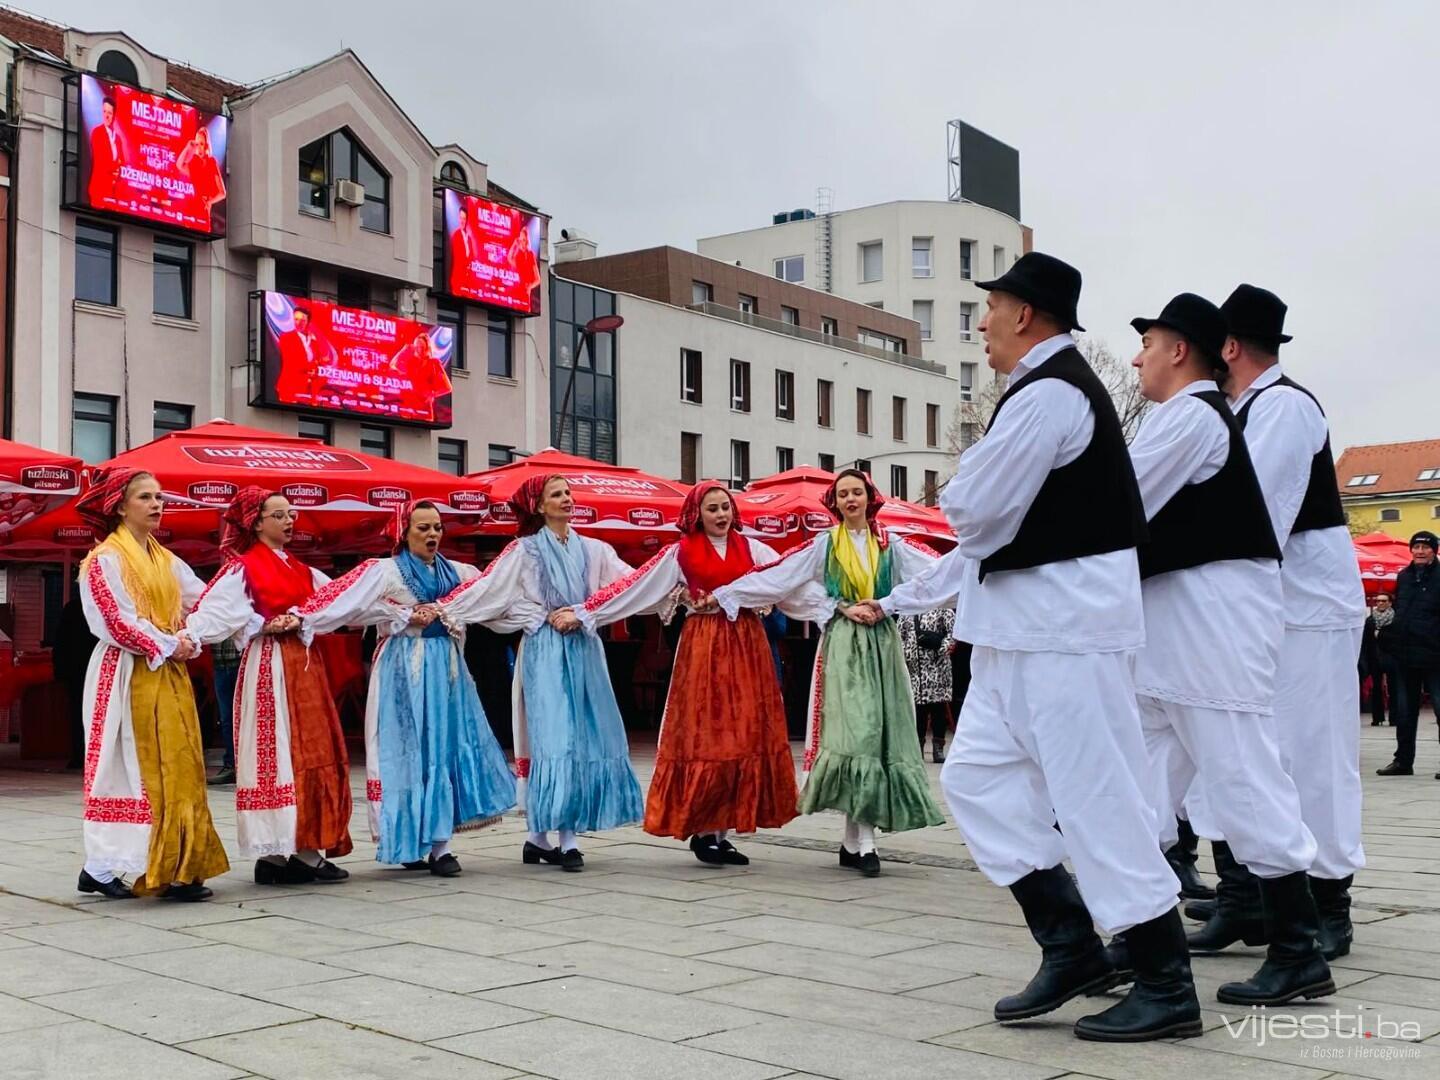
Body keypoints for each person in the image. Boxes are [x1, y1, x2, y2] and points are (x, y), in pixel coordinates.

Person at [874, 253, 1200, 1041]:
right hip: (1022, 631)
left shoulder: (1052, 391)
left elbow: (975, 509)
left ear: (1024, 314)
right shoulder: (1038, 391)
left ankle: (1165, 980)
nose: (981, 323)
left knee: (1096, 796)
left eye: (989, 308)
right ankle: (1072, 944)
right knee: (978, 779)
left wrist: (967, 489)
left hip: (1065, 632)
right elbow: (984, 520)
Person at [1120, 292, 1330, 1007]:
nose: (1137, 358)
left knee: (1242, 775)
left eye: (1148, 343)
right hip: (1174, 629)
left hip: (1211, 628)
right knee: (1145, 781)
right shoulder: (1184, 417)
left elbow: (1118, 503)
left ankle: (1299, 947)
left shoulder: (1195, 417)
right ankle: (1140, 933)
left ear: (1180, 349)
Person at [1215, 284, 1366, 963]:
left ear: (1230, 347)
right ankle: (1250, 897)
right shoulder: (1245, 408)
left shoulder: (1283, 406)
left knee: (1315, 756)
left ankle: (1330, 901)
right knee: (1260, 754)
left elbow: (1257, 514)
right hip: (1276, 606)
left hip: (1310, 608)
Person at [708, 469, 946, 877]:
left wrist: (890, 602)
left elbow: (937, 574)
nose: (850, 499)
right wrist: (728, 594)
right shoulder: (825, 544)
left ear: (870, 498)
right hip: (844, 645)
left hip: (883, 644)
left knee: (879, 736)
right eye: (843, 494)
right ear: (834, 503)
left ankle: (855, 842)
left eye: (857, 492)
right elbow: (783, 577)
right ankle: (863, 843)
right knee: (858, 733)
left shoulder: (890, 543)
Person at [571, 482, 812, 865]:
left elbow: (787, 581)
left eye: (725, 507)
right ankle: (704, 829)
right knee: (707, 734)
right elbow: (638, 586)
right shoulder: (680, 552)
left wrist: (833, 606)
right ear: (697, 515)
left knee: (744, 731)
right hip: (704, 644)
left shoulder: (754, 548)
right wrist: (587, 612)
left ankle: (723, 829)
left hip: (748, 644)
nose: (721, 515)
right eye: (712, 508)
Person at [291, 501, 521, 875]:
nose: (432, 535)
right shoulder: (384, 572)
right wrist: (398, 614)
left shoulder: (459, 572)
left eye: (437, 528)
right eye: (423, 528)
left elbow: (495, 594)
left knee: (443, 746)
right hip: (402, 667)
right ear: (404, 532)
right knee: (403, 750)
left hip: (446, 667)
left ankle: (441, 846)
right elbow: (346, 602)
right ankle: (409, 840)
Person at [438, 475, 643, 871]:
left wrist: (586, 611)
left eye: (568, 493)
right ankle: (566, 840)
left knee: (586, 736)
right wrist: (536, 615)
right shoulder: (524, 551)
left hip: (584, 648)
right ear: (538, 506)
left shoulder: (594, 549)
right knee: (556, 736)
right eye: (556, 494)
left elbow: (627, 584)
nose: (566, 499)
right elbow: (493, 592)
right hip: (546, 650)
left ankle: (538, 840)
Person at [73, 467, 228, 901]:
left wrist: (191, 634)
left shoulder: (166, 559)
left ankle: (174, 865)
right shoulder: (104, 559)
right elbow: (113, 621)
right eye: (145, 497)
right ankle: (101, 867)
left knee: (178, 763)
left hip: (167, 669)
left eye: (159, 497)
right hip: (125, 671)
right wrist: (169, 643)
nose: (157, 504)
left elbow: (205, 600)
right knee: (128, 767)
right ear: (120, 507)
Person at [183, 487, 353, 885]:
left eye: (291, 514)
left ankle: (301, 849)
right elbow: (213, 613)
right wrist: (256, 625)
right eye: (279, 515)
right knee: (276, 752)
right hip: (270, 666)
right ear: (256, 523)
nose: (289, 520)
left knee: (309, 750)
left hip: (304, 666)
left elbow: (339, 601)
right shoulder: (243, 568)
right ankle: (276, 854)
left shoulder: (301, 568)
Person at [1377, 531, 1440, 777]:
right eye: (1416, 547)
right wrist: (1388, 635)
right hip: (1406, 654)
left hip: (1435, 655)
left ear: (1434, 550)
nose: (1420, 551)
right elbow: (1400, 611)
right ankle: (1403, 761)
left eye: (1425, 547)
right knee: (1404, 711)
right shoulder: (1403, 576)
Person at [898, 607, 955, 763]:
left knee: (938, 709)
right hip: (914, 672)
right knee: (918, 711)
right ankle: (918, 748)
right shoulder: (907, 610)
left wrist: (940, 647)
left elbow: (953, 634)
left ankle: (938, 748)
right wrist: (905, 654)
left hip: (938, 669)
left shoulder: (943, 609)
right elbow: (899, 637)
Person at [52, 586, 97, 770]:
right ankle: (94, 757)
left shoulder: (72, 608)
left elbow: (60, 642)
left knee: (77, 715)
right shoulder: (101, 609)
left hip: (76, 671)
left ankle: (79, 755)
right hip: (95, 669)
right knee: (98, 715)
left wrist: (60, 671)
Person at [274, 306, 337, 403]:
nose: (298, 323)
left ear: (308, 322)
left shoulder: (313, 341)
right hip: (290, 387)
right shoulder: (287, 338)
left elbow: (315, 365)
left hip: (308, 390)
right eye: (296, 319)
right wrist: (319, 361)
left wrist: (316, 368)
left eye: (302, 320)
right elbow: (293, 363)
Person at [206, 633, 240, 786]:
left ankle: (246, 764)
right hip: (219, 663)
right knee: (226, 718)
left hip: (241, 661)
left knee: (245, 716)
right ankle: (231, 765)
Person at [176, 126, 226, 223]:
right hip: (191, 209)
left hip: (203, 211)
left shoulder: (211, 162)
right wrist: (187, 147)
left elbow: (222, 193)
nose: (199, 148)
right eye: (197, 144)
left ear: (206, 145)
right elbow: (179, 165)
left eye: (202, 144)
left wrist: (209, 202)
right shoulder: (194, 162)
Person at [1361, 593, 1396, 726]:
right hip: (1375, 658)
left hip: (1392, 657)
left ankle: (1394, 718)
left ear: (1390, 603)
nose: (1380, 603)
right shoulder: (1370, 620)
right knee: (1376, 688)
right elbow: (1366, 641)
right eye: (1378, 601)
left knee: (1394, 688)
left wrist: (1380, 634)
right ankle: (1377, 717)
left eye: (1383, 600)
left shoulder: (1395, 619)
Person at [87, 95, 128, 207]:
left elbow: (122, 162)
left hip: (113, 192)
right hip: (99, 188)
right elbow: (100, 160)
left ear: (114, 115)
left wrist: (119, 169)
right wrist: (115, 167)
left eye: (109, 113)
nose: (106, 116)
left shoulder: (117, 138)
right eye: (104, 111)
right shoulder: (97, 133)